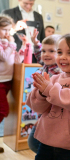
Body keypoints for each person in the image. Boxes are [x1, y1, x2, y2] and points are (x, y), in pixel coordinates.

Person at [26, 32, 70, 160]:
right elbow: (37, 107)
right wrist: (41, 93)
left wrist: (49, 90)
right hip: (47, 140)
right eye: (59, 52)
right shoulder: (54, 78)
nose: (63, 57)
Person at [27, 28, 62, 154]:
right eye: (44, 51)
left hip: (51, 113)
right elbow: (38, 55)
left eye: (51, 51)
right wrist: (36, 43)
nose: (46, 54)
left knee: (36, 143)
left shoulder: (58, 71)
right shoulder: (47, 65)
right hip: (43, 111)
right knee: (34, 143)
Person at [0, 14, 26, 153]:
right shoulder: (5, 43)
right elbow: (3, 57)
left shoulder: (6, 42)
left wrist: (22, 47)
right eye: (4, 30)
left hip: (7, 81)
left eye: (9, 30)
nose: (7, 33)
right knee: (3, 110)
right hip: (0, 82)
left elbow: (14, 58)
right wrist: (12, 43)